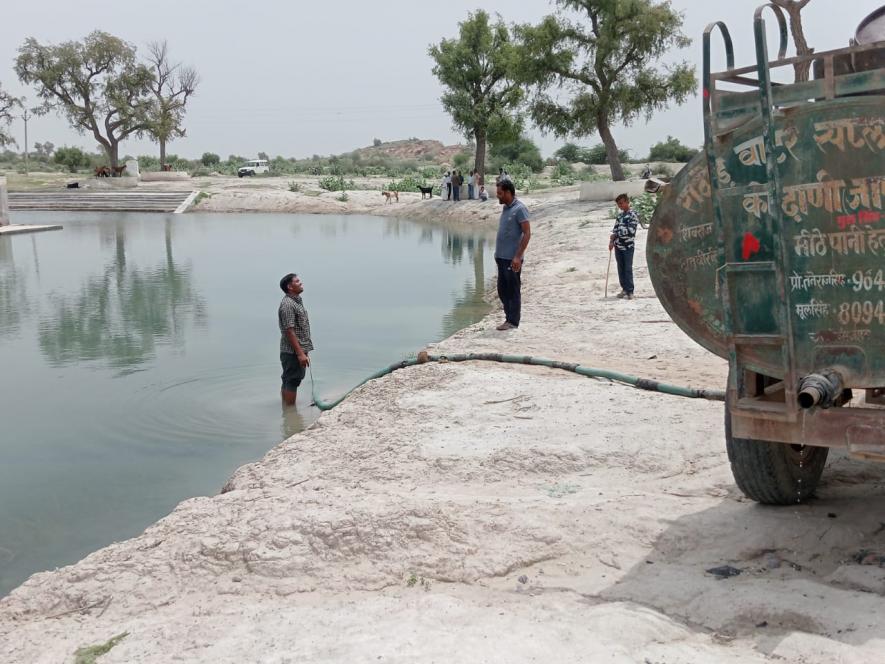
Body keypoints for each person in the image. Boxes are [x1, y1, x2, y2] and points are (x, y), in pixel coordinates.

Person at [494, 180, 531, 330]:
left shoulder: (520, 209)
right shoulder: (506, 208)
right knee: (502, 290)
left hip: (512, 259)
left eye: (500, 193)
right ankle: (508, 318)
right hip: (501, 257)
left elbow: (527, 233)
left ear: (508, 192)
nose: (498, 196)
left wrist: (517, 256)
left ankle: (513, 321)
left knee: (513, 290)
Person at [278, 273, 313, 405]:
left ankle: (286, 411)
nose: (301, 283)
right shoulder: (287, 304)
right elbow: (289, 330)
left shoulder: (296, 301)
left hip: (297, 350)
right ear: (290, 286)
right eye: (297, 281)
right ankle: (290, 411)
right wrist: (300, 353)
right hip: (292, 351)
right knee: (292, 380)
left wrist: (304, 351)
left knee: (289, 379)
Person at [609, 193, 639, 300]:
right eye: (618, 204)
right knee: (620, 268)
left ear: (627, 202)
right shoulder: (620, 216)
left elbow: (630, 231)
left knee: (627, 269)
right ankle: (624, 289)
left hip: (628, 247)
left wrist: (617, 234)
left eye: (622, 203)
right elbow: (615, 230)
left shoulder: (633, 215)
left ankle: (630, 291)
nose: (620, 206)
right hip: (618, 246)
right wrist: (612, 241)